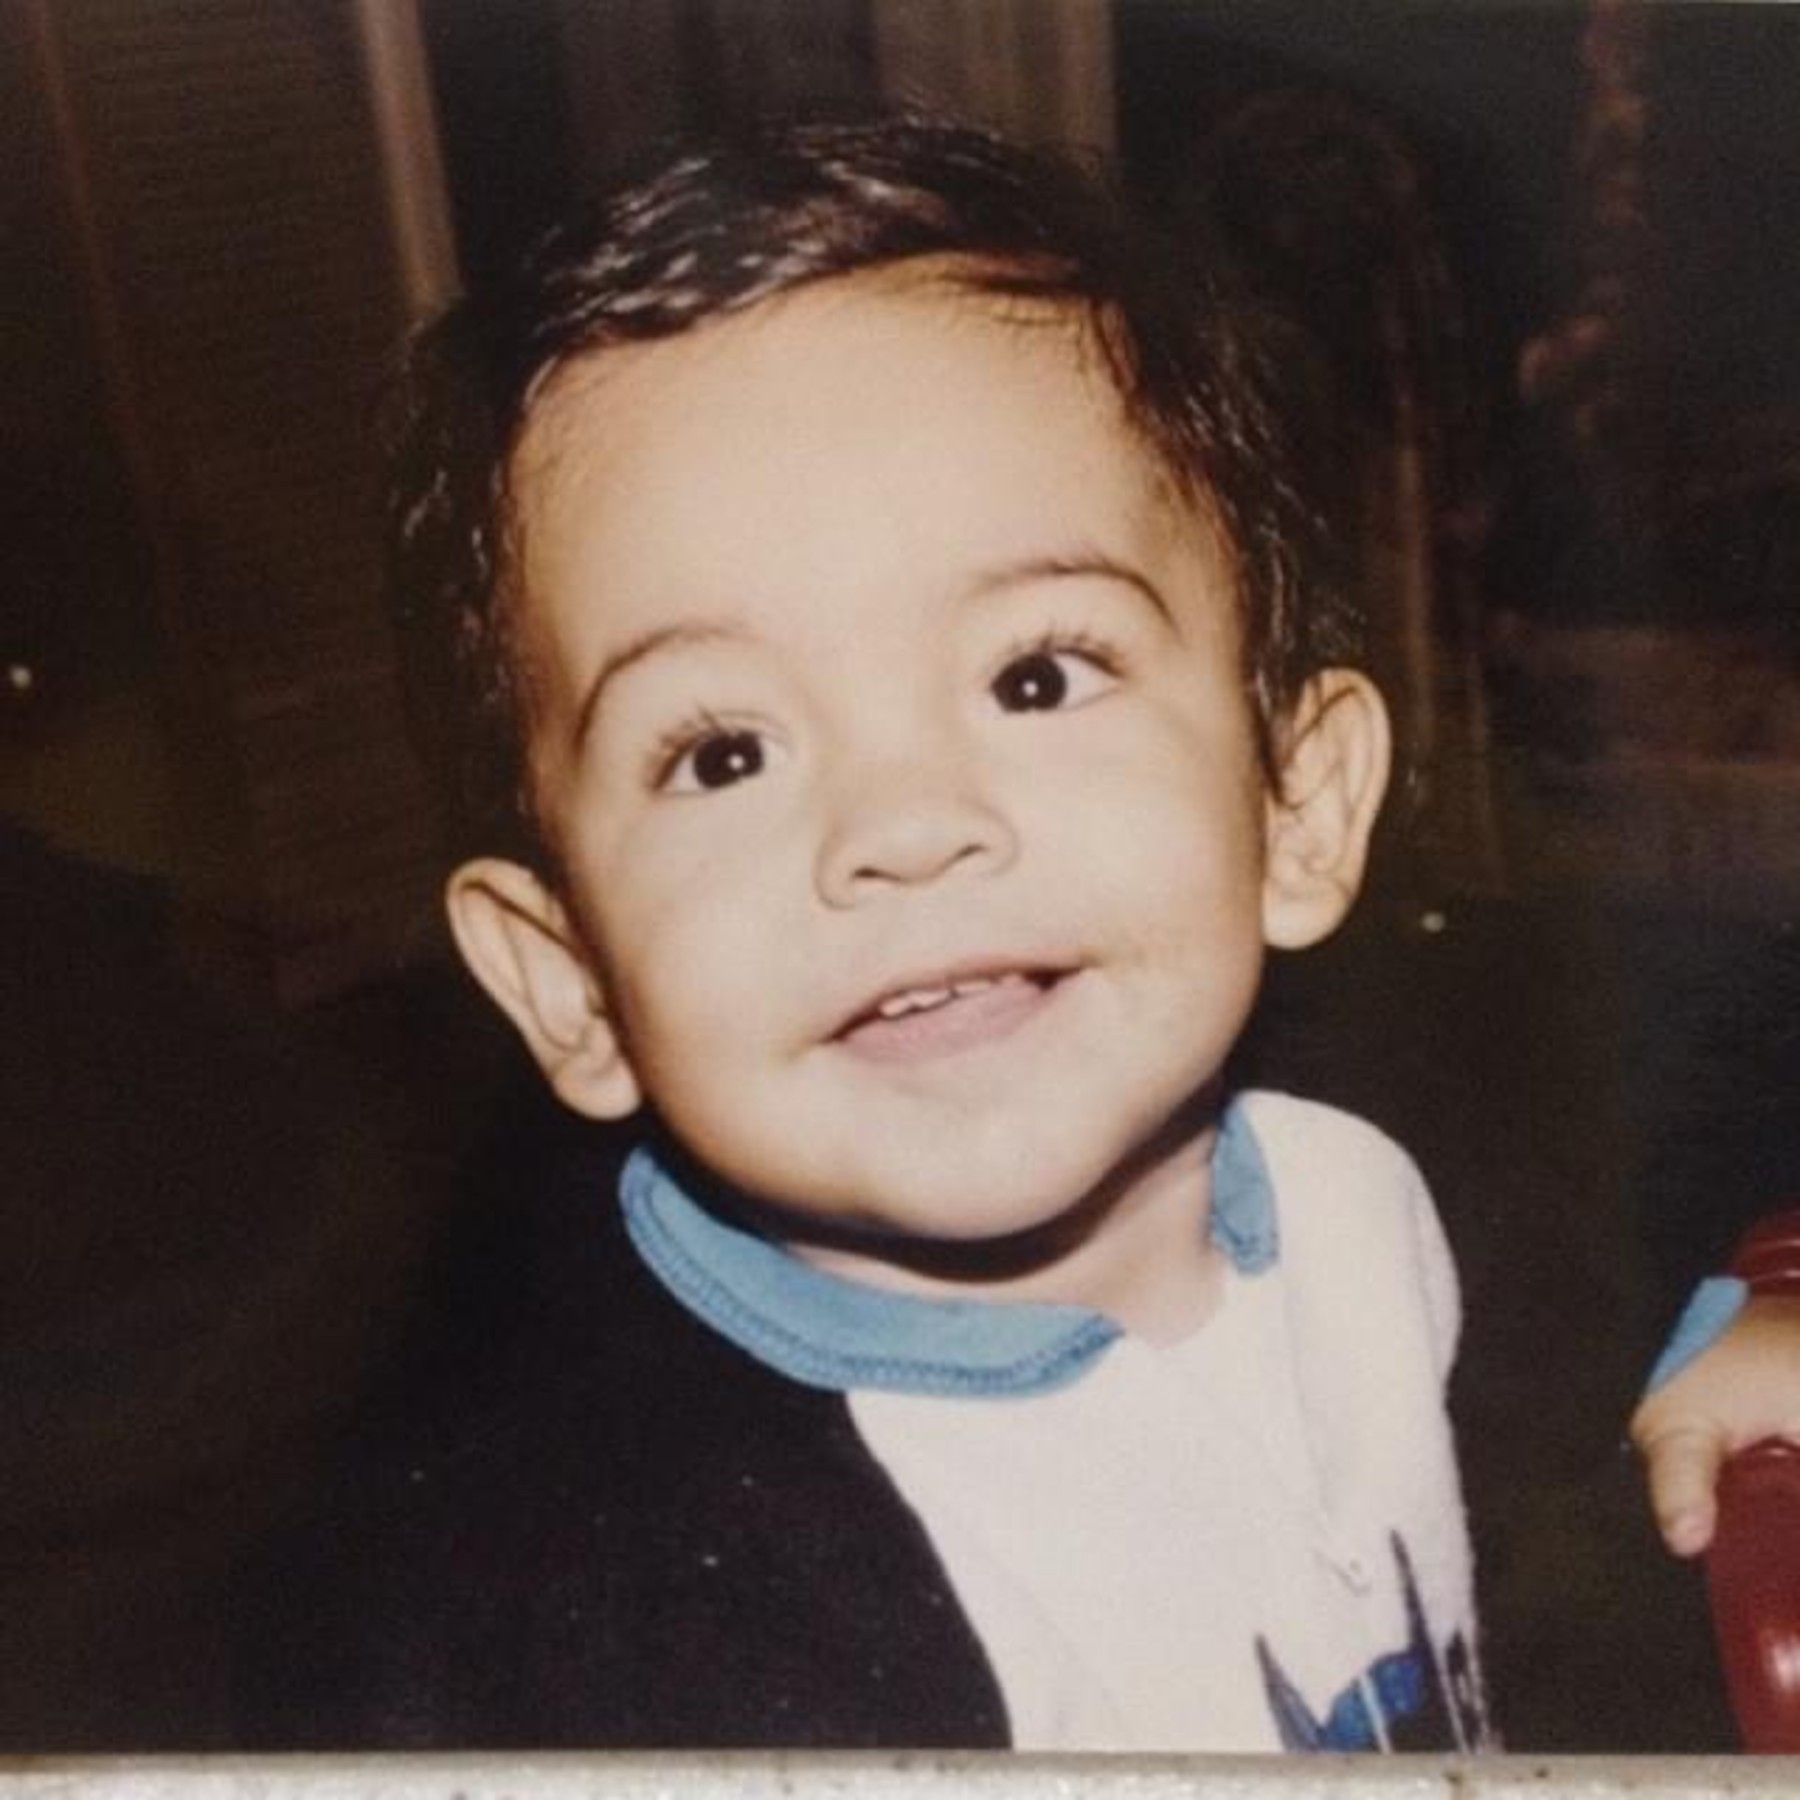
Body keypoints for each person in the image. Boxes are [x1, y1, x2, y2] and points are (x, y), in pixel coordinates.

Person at [230, 111, 1788, 1754]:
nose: (906, 826)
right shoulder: (619, 1640)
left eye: (1035, 676)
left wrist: (1718, 1344)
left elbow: (1546, 1326)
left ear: (1300, 806)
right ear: (568, 985)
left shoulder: (1381, 1173)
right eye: (724, 753)